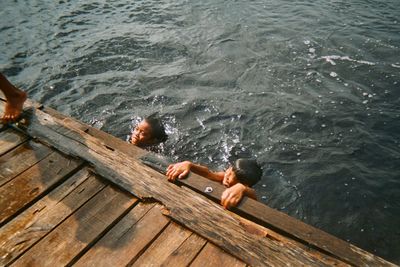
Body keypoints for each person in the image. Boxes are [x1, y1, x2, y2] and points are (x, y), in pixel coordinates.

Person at [166, 158, 262, 209]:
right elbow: (208, 174)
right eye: (230, 170)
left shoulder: (244, 192)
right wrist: (189, 165)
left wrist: (242, 188)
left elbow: (254, 197)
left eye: (233, 177)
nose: (227, 175)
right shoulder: (224, 176)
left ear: (246, 184)